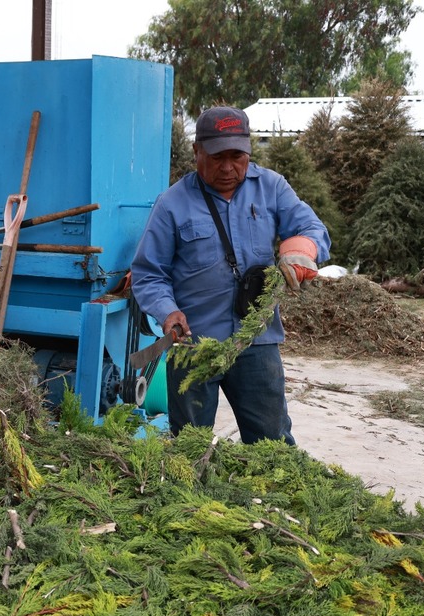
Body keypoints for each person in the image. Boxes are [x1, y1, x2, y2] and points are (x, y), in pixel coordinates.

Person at [130, 106, 330, 445]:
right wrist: (167, 312)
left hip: (257, 342)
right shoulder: (172, 204)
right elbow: (149, 273)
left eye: (237, 156)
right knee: (190, 447)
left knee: (273, 444)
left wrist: (301, 250)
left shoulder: (271, 188)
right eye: (216, 156)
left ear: (249, 151)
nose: (227, 167)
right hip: (193, 345)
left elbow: (311, 228)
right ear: (197, 152)